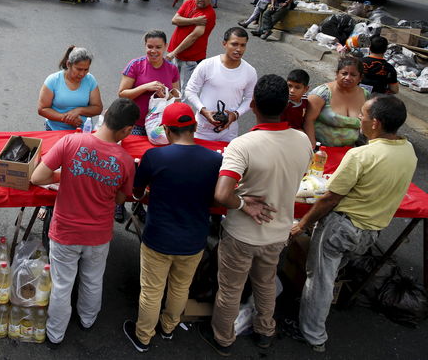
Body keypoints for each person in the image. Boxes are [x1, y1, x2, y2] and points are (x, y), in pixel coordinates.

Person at [288, 96, 417, 353]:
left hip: (342, 227)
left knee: (320, 280)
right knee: (331, 272)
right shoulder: (408, 150)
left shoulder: (360, 155)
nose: (360, 118)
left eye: (364, 115)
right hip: (370, 232)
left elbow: (329, 197)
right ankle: (313, 312)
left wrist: (303, 223)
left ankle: (313, 335)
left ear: (376, 123)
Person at [199, 74, 313, 356]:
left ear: (253, 105)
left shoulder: (243, 145)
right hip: (278, 232)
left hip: (242, 234)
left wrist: (242, 204)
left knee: (231, 288)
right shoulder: (303, 141)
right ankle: (265, 331)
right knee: (265, 283)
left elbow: (222, 194)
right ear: (286, 105)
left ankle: (223, 338)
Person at [30, 98, 139, 348]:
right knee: (92, 279)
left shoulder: (71, 141)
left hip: (65, 231)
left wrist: (65, 174)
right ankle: (87, 320)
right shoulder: (124, 160)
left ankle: (55, 333)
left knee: (61, 284)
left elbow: (37, 177)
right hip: (98, 234)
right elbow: (121, 198)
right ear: (127, 130)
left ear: (106, 114)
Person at [123, 102, 222, 352]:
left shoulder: (155, 156)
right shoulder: (213, 160)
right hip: (194, 240)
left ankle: (143, 337)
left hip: (159, 238)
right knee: (180, 287)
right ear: (196, 126)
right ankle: (168, 328)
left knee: (152, 290)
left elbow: (136, 192)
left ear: (166, 130)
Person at [185, 27, 257, 143]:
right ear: (224, 44)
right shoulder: (207, 65)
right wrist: (203, 110)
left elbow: (250, 99)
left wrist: (235, 114)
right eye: (234, 44)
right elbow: (190, 90)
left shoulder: (250, 71)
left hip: (229, 132)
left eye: (243, 45)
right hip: (202, 130)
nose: (239, 49)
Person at [118, 30, 180, 136]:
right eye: (150, 47)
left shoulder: (172, 69)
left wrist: (167, 96)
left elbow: (177, 99)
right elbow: (122, 94)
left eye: (158, 47)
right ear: (145, 46)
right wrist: (145, 87)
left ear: (166, 46)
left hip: (160, 126)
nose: (153, 51)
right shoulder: (135, 65)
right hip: (135, 125)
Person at [303, 56, 370, 147]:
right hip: (321, 150)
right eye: (344, 73)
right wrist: (312, 147)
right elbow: (308, 120)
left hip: (350, 151)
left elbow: (368, 124)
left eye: (353, 75)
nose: (348, 78)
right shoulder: (322, 93)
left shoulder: (365, 95)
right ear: (337, 74)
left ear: (360, 78)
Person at [166, 0, 217, 92]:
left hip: (190, 60)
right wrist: (193, 20)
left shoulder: (209, 14)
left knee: (186, 91)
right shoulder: (188, 3)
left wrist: (174, 53)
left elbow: (193, 36)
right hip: (175, 55)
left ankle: (183, 109)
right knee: (172, 86)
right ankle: (172, 108)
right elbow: (174, 20)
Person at [38, 46, 103, 131]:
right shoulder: (53, 80)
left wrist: (78, 110)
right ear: (68, 64)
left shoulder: (90, 80)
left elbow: (98, 108)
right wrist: (66, 119)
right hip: (56, 129)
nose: (82, 74)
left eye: (86, 69)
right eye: (79, 69)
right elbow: (42, 109)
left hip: (83, 129)